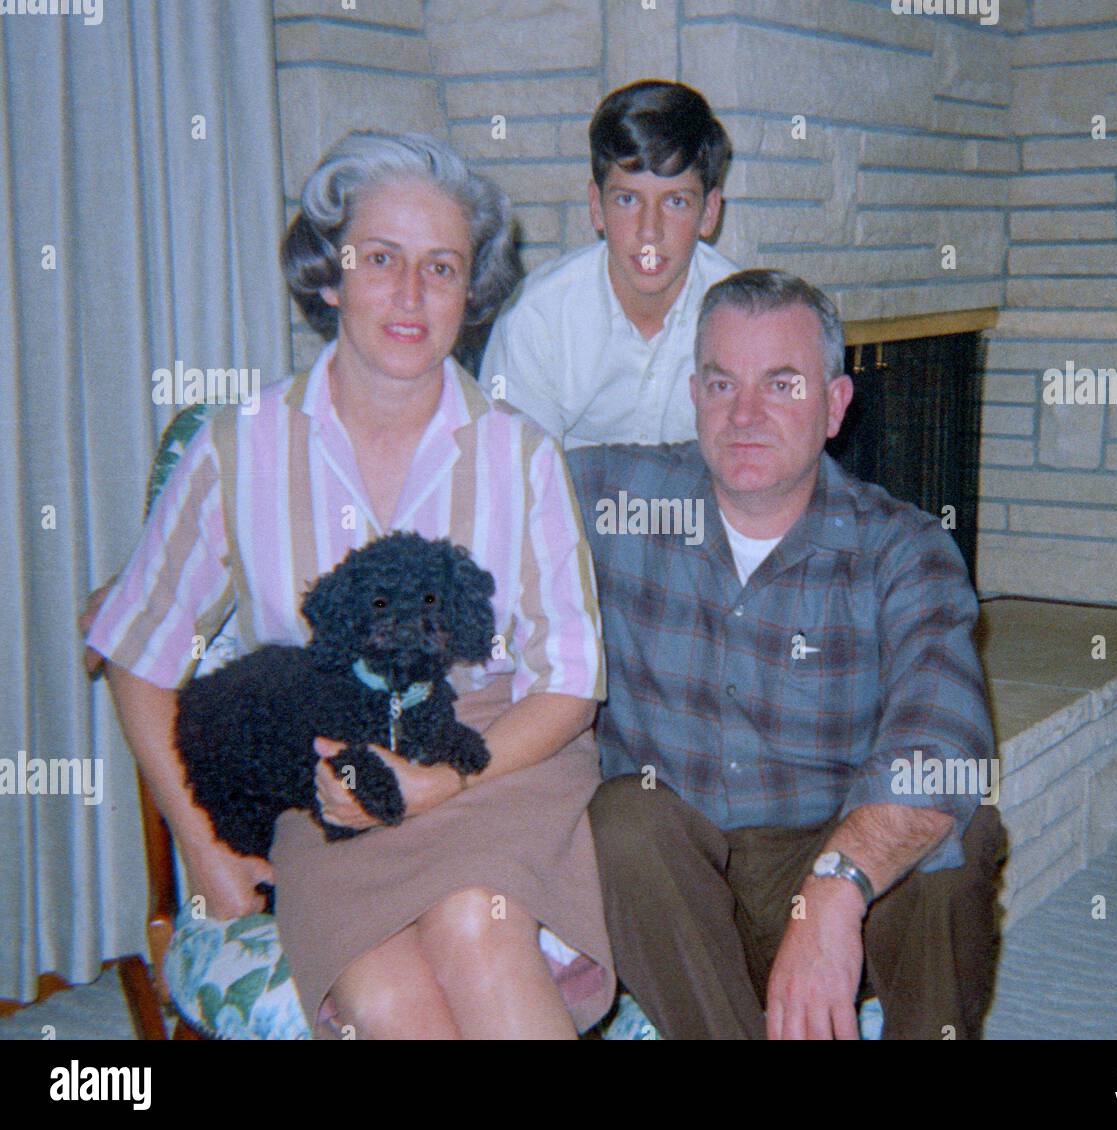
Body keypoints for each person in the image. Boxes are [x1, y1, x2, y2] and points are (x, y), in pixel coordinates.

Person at [86, 131, 614, 1039]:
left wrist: (440, 782)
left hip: (493, 758)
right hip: (329, 776)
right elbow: (136, 648)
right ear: (329, 276)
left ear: (471, 291)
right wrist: (206, 846)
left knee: (474, 929)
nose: (410, 295)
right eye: (380, 259)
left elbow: (570, 681)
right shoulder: (238, 448)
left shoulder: (519, 454)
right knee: (388, 996)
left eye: (441, 267)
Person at [565, 269, 1009, 1040]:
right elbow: (471, 489)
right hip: (677, 891)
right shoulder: (612, 499)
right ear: (694, 392)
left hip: (833, 865)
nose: (745, 415)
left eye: (781, 384)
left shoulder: (902, 548)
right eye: (721, 383)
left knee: (959, 838)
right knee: (620, 820)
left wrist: (834, 891)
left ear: (834, 405)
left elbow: (945, 750)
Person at [480, 79, 740, 449]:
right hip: (568, 504)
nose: (650, 232)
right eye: (627, 200)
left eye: (676, 202)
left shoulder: (745, 316)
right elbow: (514, 480)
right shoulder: (536, 317)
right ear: (596, 206)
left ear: (709, 212)